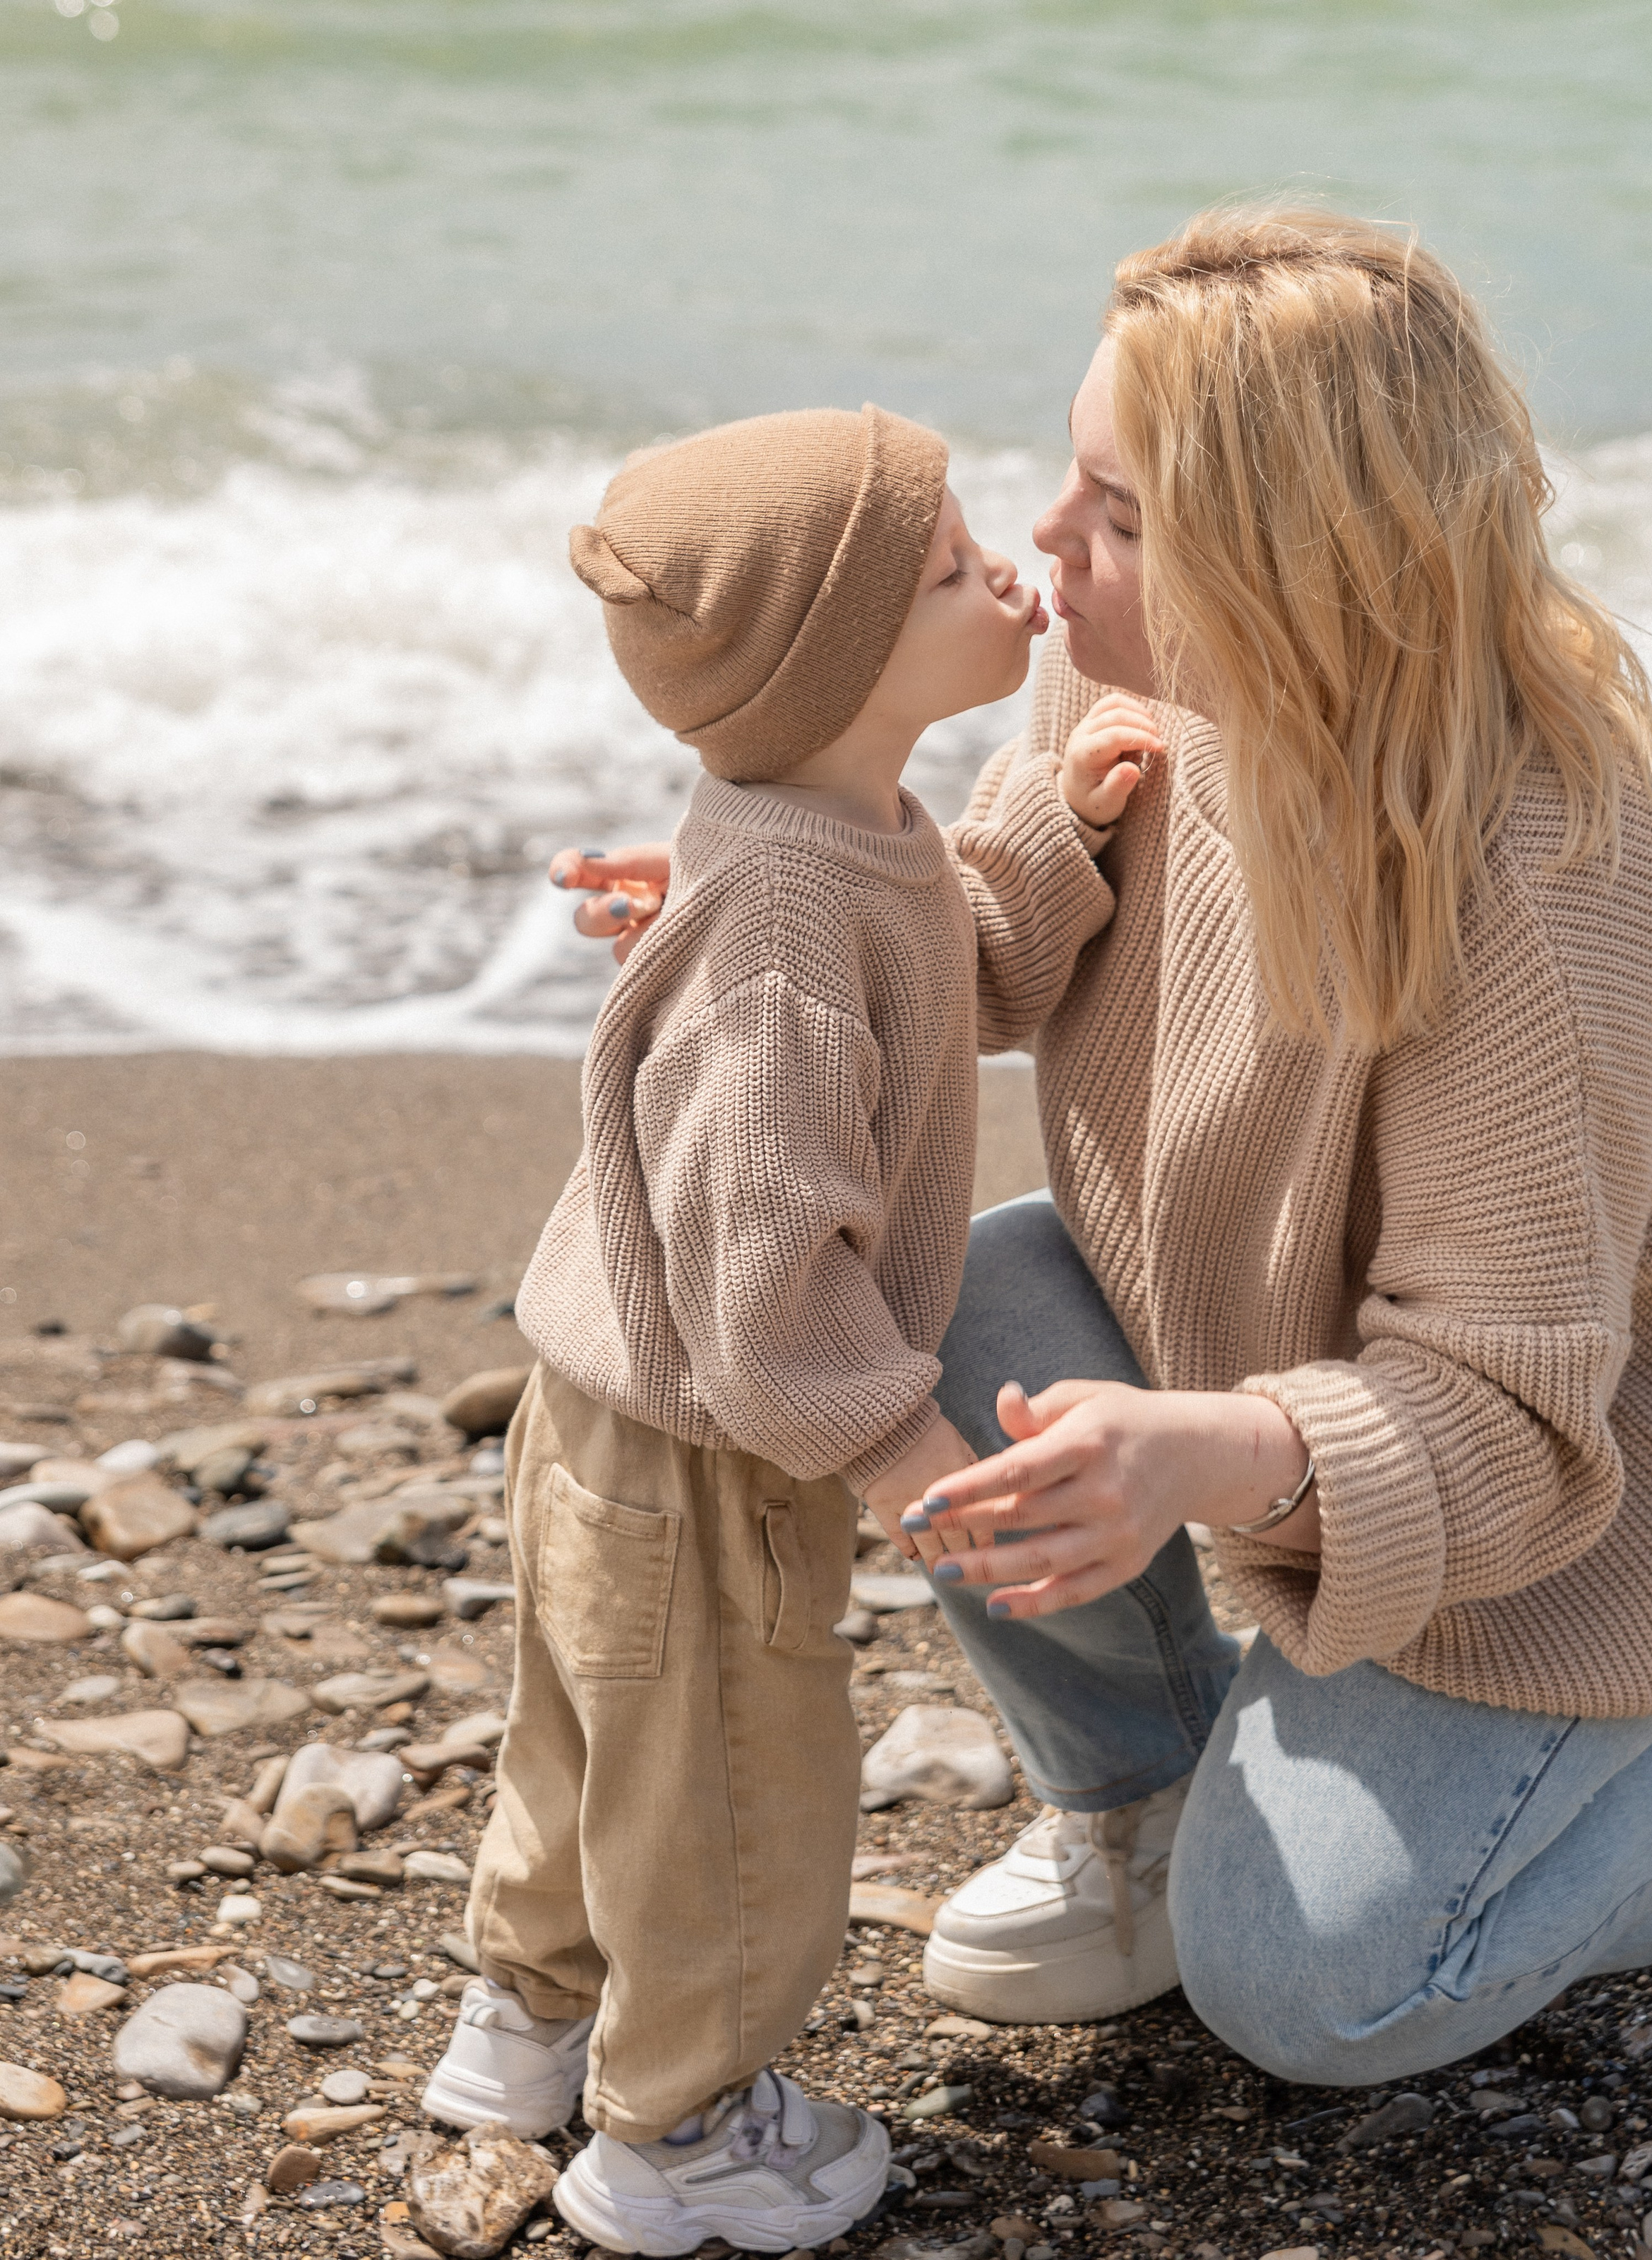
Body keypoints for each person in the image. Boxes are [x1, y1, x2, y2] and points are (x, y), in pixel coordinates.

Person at [566, 208, 1652, 2087]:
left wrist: (1209, 1454)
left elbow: (1512, 1410)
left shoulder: (1548, 885)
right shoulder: (1126, 670)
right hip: (1259, 1340)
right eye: (1073, 483)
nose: (1052, 548)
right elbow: (989, 924)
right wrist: (791, 897)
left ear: (1319, 572)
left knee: (1318, 1992)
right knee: (973, 1298)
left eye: (1124, 516)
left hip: (1595, 1501)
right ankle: (1142, 1813)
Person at [421, 402, 1144, 2255]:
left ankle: (523, 2028)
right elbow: (766, 1287)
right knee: (733, 1790)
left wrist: (1060, 818)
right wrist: (911, 1450)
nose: (1006, 569)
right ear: (836, 668)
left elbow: (961, 958)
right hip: (708, 1445)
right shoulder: (787, 926)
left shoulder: (817, 827)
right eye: (943, 567)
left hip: (610, 1414)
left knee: (590, 1745)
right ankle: (680, 2133)